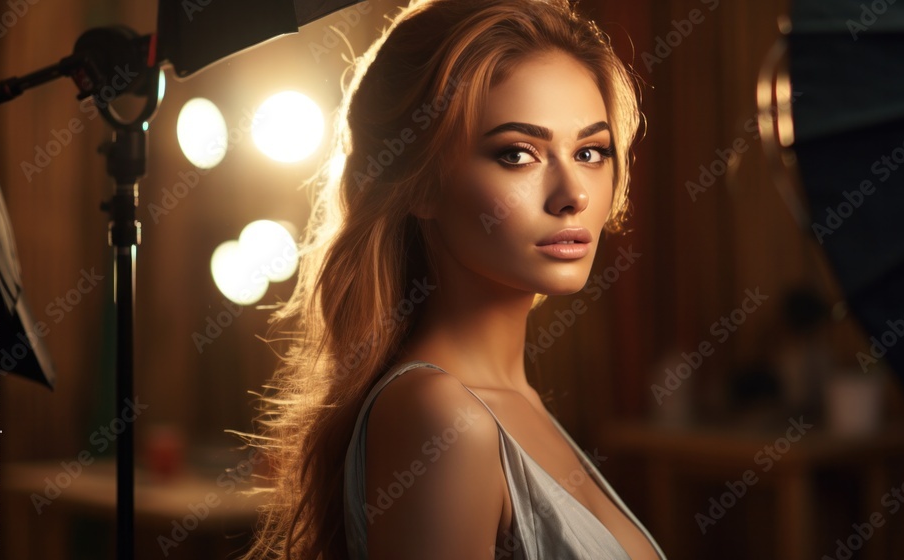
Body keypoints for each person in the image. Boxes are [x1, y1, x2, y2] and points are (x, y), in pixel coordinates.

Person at [242, 0, 665, 558]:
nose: (575, 195)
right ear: (418, 184)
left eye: (590, 151)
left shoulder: (514, 401)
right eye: (518, 154)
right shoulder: (441, 416)